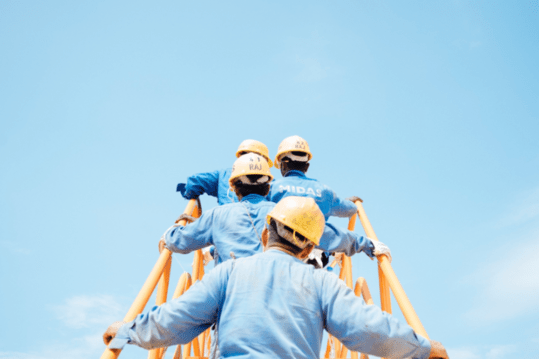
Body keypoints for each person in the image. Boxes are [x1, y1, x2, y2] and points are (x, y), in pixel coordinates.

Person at [103, 196, 449, 359]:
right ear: (308, 249)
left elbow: (174, 321)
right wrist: (423, 348)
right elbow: (367, 327)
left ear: (267, 231)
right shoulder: (323, 282)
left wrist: (124, 334)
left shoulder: (228, 273)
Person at [160, 153, 391, 266]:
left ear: (233, 186)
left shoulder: (216, 216)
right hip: (281, 299)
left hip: (231, 303)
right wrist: (367, 244)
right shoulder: (286, 212)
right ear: (268, 184)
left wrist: (173, 231)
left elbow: (179, 241)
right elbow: (328, 233)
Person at [268, 135, 359, 220]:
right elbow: (350, 209)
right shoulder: (325, 191)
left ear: (283, 165)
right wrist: (350, 203)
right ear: (306, 166)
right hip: (318, 237)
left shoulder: (271, 188)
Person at [177, 139, 273, 205]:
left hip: (224, 226)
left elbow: (195, 182)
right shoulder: (270, 183)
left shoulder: (222, 175)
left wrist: (187, 192)